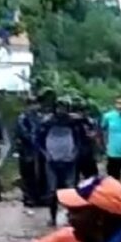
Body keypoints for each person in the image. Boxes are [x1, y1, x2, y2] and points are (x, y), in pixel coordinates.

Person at [39, 96, 78, 227]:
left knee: (70, 189)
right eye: (59, 107)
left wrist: (75, 153)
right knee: (52, 190)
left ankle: (71, 216)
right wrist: (46, 154)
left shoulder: (74, 122)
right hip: (51, 161)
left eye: (64, 107)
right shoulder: (47, 122)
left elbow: (82, 140)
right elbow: (37, 140)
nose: (61, 110)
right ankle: (52, 217)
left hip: (69, 161)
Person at [15, 97, 45, 208]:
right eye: (32, 104)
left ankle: (38, 197)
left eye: (36, 104)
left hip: (38, 151)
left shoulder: (39, 117)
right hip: (27, 151)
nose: (35, 106)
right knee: (28, 175)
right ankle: (28, 198)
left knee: (38, 175)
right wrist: (34, 142)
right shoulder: (22, 118)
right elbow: (24, 134)